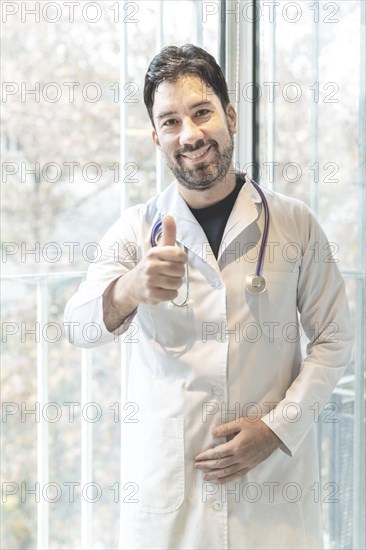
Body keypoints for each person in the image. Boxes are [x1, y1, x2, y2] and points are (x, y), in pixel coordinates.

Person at [64, 44, 353, 550]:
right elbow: (78, 327)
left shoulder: (294, 222)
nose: (190, 134)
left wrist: (276, 429)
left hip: (272, 497)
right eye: (170, 121)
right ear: (157, 138)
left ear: (230, 116)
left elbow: (335, 338)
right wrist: (131, 287)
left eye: (202, 112)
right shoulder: (134, 230)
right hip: (171, 498)